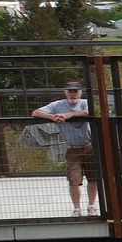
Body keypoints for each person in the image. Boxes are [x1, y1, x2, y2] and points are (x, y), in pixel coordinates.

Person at [32, 80, 98, 217]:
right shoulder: (57, 105)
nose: (73, 94)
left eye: (75, 91)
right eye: (70, 91)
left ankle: (92, 206)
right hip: (72, 149)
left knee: (93, 178)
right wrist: (53, 117)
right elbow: (36, 113)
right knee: (74, 180)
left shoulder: (85, 102)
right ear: (65, 92)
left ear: (80, 93)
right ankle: (77, 209)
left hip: (89, 146)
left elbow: (90, 111)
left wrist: (69, 115)